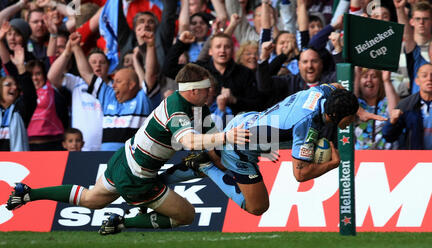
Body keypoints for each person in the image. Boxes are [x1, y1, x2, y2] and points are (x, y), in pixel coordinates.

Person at [5, 63, 250, 236]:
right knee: (186, 215)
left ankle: (27, 193)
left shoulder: (199, 109)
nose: (212, 93)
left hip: (124, 158)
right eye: (208, 89)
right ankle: (124, 221)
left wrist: (234, 164)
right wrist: (227, 136)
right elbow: (190, 143)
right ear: (194, 90)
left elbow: (213, 146)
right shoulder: (177, 108)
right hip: (137, 177)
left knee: (92, 199)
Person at [165, 83, 386, 216]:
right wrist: (331, 165)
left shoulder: (323, 94)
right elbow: (300, 174)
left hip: (248, 120)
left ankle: (169, 176)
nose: (351, 122)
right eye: (350, 118)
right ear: (336, 116)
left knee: (220, 160)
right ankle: (205, 165)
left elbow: (338, 86)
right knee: (258, 207)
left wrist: (358, 111)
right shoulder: (307, 128)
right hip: (241, 146)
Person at [382, 63, 432, 150]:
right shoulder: (406, 105)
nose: (429, 79)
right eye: (424, 76)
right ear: (417, 81)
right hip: (417, 160)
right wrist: (391, 122)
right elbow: (389, 137)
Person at [0, 46, 37, 151]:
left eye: (16, 85)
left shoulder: (20, 109)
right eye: (8, 84)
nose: (14, 87)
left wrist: (21, 67)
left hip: (17, 164)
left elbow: (30, 96)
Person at [354, 68, 400, 150]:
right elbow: (348, 102)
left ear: (380, 82)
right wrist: (357, 75)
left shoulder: (386, 102)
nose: (369, 80)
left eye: (374, 77)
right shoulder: (356, 103)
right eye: (365, 77)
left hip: (387, 155)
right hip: (360, 157)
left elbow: (395, 112)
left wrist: (386, 80)